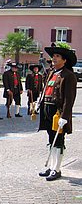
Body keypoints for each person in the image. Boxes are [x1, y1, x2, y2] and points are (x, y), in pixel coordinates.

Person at [38, 46, 77, 181]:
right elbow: (45, 90)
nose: (54, 58)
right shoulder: (51, 72)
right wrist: (39, 103)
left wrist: (65, 116)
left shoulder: (68, 75)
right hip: (47, 110)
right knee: (51, 139)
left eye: (57, 56)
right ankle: (51, 166)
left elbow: (69, 98)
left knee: (58, 140)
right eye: (53, 56)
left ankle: (57, 169)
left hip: (58, 113)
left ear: (64, 60)